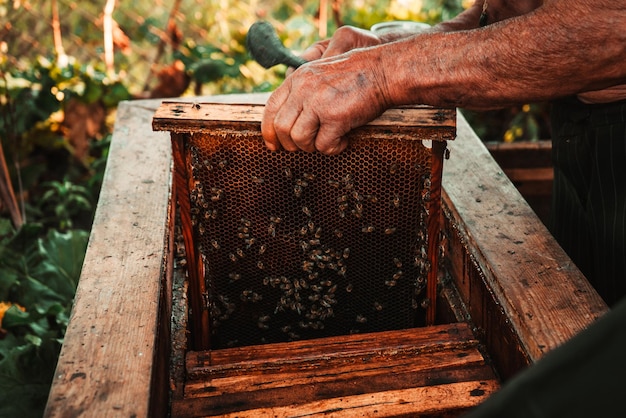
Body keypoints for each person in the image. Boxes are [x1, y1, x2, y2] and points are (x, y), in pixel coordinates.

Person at [261, 0, 626, 307]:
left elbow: (609, 27)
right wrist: (387, 46)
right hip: (580, 129)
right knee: (582, 323)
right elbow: (515, 11)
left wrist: (380, 72)